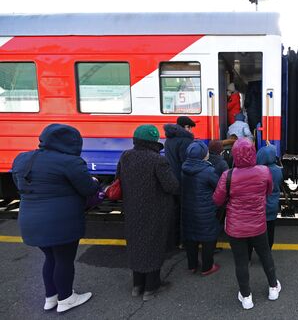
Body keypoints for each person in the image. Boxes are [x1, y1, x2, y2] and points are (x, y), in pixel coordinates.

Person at [11, 124, 99, 313]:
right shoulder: (70, 162)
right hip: (62, 223)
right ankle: (66, 298)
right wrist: (95, 182)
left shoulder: (22, 159)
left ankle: (50, 298)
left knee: (50, 258)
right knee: (64, 260)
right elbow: (89, 189)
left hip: (29, 221)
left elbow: (19, 186)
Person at [213, 138, 281, 310]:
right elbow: (269, 191)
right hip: (258, 224)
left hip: (235, 228)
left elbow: (217, 200)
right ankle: (273, 288)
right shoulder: (264, 171)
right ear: (253, 153)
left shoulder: (227, 175)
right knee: (266, 256)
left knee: (241, 262)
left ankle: (246, 297)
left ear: (235, 154)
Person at [116, 125, 180, 301]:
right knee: (154, 245)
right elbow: (172, 186)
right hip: (155, 211)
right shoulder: (157, 160)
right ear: (154, 140)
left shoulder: (126, 156)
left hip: (132, 209)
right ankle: (151, 287)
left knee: (136, 245)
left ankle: (137, 286)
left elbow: (119, 179)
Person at [181, 141, 221, 275]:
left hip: (188, 209)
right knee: (208, 237)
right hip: (205, 210)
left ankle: (192, 265)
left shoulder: (184, 168)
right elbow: (219, 187)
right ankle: (207, 267)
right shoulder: (208, 171)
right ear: (203, 155)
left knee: (191, 236)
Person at [163, 116, 196, 249]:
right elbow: (186, 162)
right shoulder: (185, 140)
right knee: (185, 212)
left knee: (174, 210)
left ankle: (173, 240)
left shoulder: (169, 139)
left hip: (171, 178)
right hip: (183, 180)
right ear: (185, 127)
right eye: (189, 127)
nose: (190, 130)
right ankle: (184, 241)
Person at [256, 145, 283, 249]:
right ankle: (268, 250)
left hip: (260, 207)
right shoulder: (278, 171)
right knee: (270, 230)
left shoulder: (258, 171)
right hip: (273, 205)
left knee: (259, 231)